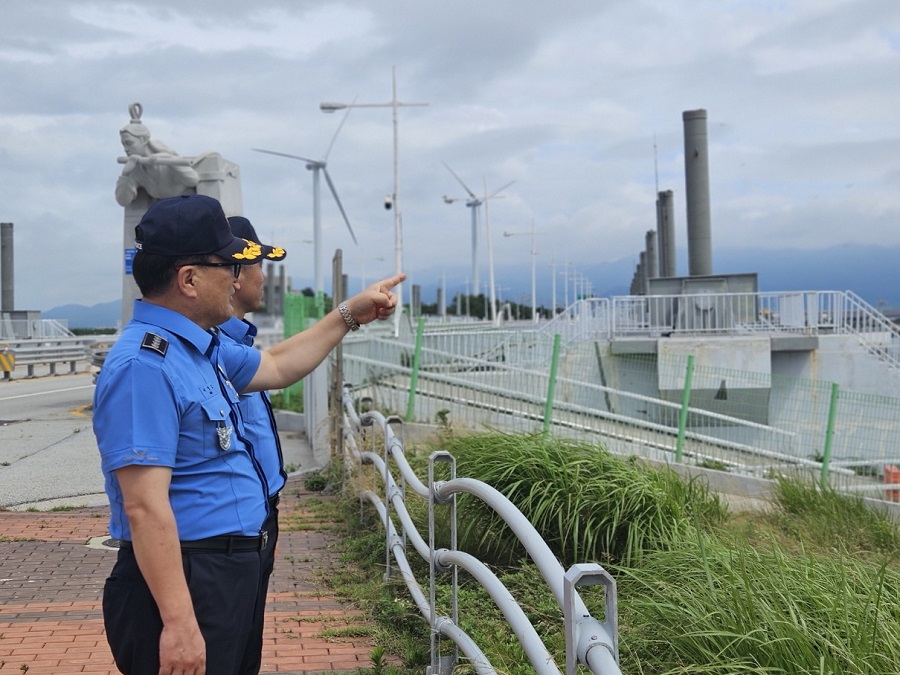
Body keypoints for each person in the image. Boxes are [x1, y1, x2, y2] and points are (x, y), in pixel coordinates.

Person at [93, 193, 402, 675]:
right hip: (191, 579)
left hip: (225, 572)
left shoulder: (199, 347)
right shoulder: (144, 366)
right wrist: (178, 624)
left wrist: (350, 314)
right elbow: (144, 506)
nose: (236, 277)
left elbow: (277, 365)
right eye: (227, 265)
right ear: (189, 279)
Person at [218, 215, 287, 674]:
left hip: (260, 516)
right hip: (228, 536)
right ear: (237, 273)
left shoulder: (239, 342)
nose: (266, 275)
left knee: (245, 649)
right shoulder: (214, 349)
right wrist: (346, 316)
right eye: (260, 263)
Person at [115, 103, 200, 207]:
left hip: (187, 205)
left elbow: (192, 180)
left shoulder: (166, 160)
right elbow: (123, 201)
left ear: (143, 140)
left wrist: (167, 159)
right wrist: (125, 175)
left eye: (129, 143)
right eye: (123, 144)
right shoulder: (135, 168)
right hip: (161, 209)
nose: (125, 149)